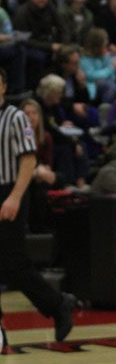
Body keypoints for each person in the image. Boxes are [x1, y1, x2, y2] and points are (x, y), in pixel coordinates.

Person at [0, 67, 76, 348]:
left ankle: (57, 305)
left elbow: (29, 160)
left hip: (10, 190)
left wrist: (15, 197)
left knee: (13, 263)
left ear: (4, 86)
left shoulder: (16, 117)